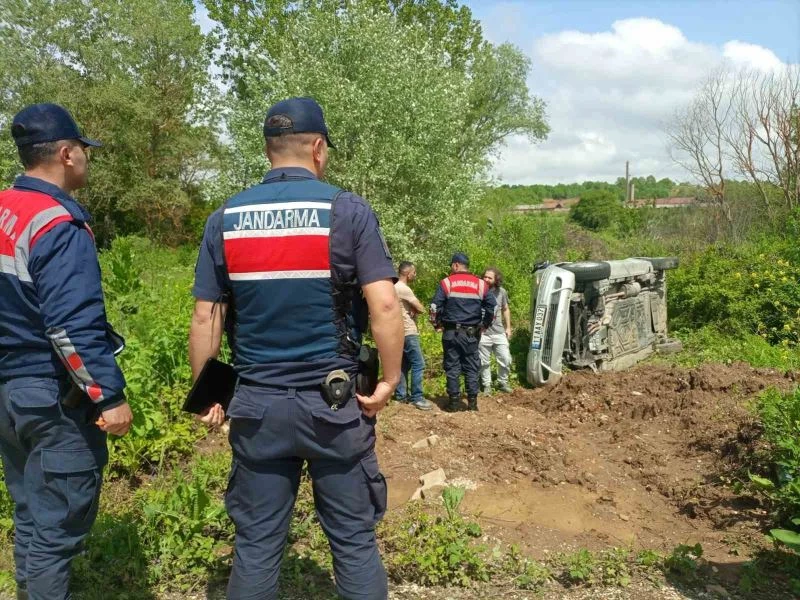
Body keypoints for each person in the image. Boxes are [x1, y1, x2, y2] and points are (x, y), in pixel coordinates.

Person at [189, 96, 403, 600]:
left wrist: (207, 393)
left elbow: (206, 315)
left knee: (256, 545)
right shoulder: (347, 211)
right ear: (318, 148)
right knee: (353, 542)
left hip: (257, 407)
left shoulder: (225, 218)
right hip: (334, 406)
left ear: (269, 150)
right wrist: (390, 379)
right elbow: (385, 305)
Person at [0, 103, 134, 600]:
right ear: (66, 154)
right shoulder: (57, 223)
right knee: (56, 532)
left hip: (8, 395)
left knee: (32, 515)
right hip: (50, 397)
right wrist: (108, 396)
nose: (87, 159)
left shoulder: (5, 209)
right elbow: (70, 326)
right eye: (83, 150)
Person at [430, 253, 496, 412]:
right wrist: (485, 325)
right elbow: (493, 308)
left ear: (456, 265)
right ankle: (472, 404)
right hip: (471, 334)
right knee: (471, 366)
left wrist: (436, 324)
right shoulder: (481, 284)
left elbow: (434, 307)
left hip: (451, 333)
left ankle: (453, 403)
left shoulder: (446, 283)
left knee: (452, 366)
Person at [394, 262, 434, 410]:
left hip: (398, 332)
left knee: (403, 365)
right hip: (409, 331)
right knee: (419, 364)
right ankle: (417, 397)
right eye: (414, 272)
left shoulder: (393, 287)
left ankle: (401, 396)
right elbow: (421, 308)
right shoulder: (404, 289)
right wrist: (416, 308)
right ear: (408, 273)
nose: (415, 275)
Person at [479, 267, 513, 394]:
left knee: (505, 358)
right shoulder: (478, 290)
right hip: (483, 332)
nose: (486, 279)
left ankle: (502, 382)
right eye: (485, 276)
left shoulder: (501, 292)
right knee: (484, 361)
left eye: (490, 277)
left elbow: (505, 309)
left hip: (499, 331)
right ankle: (486, 385)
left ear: (496, 279)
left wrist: (508, 327)